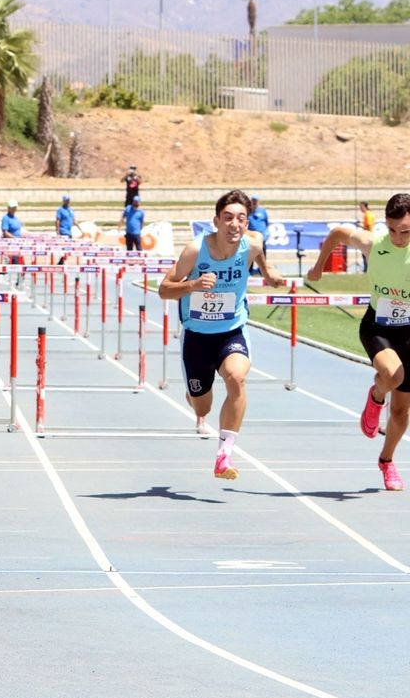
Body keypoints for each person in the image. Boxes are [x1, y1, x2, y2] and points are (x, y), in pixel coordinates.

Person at [159, 189, 291, 481]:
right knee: (202, 407)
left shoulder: (253, 244)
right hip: (197, 336)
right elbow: (164, 289)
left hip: (232, 330)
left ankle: (224, 455)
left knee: (236, 377)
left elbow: (264, 269)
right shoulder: (195, 250)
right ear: (216, 221)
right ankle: (195, 395)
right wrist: (192, 284)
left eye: (241, 219)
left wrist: (272, 277)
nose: (234, 224)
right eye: (228, 218)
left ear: (247, 224)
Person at [306, 195, 410, 491]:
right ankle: (376, 396)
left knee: (402, 412)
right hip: (378, 326)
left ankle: (386, 462)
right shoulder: (375, 244)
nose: (399, 237)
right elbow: (338, 233)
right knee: (392, 375)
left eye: (406, 231)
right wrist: (319, 266)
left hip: (409, 332)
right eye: (393, 230)